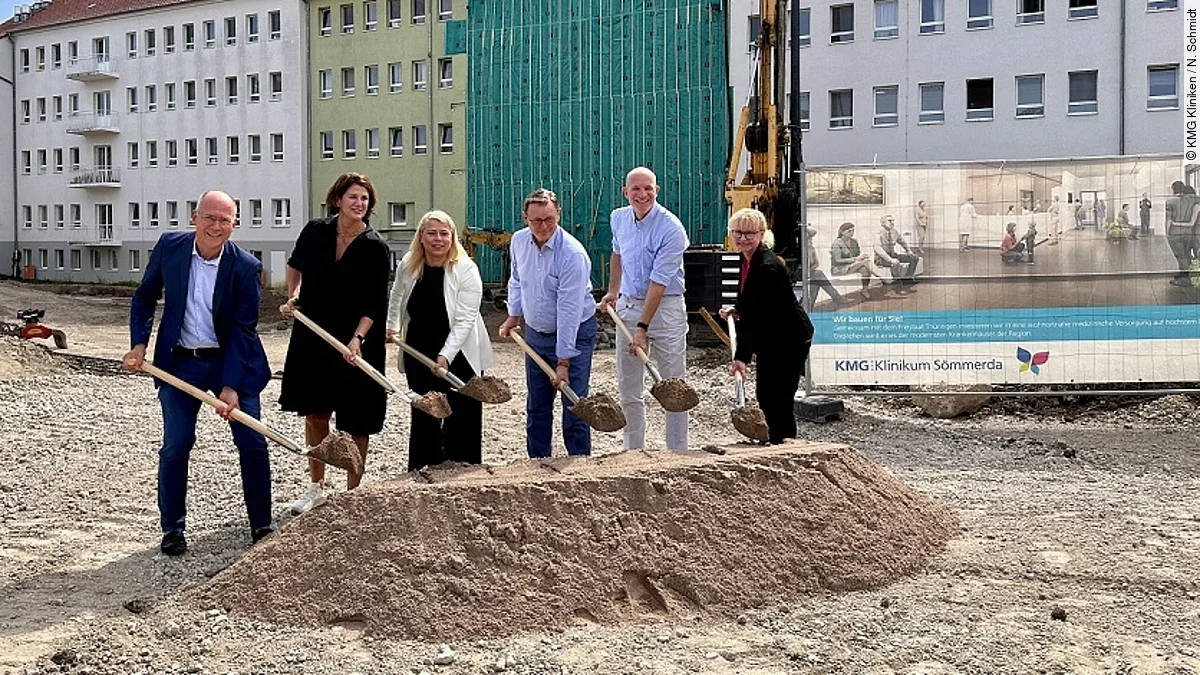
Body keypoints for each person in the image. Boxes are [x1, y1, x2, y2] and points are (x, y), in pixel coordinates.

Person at [124, 191, 273, 556]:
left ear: (234, 224)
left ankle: (262, 525)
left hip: (230, 361)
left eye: (225, 220)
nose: (217, 226)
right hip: (180, 362)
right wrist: (139, 344)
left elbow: (243, 330)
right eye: (210, 218)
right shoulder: (170, 248)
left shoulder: (245, 267)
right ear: (194, 217)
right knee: (176, 445)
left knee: (253, 443)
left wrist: (231, 385)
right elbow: (144, 297)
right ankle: (172, 528)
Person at [279, 173, 391, 514]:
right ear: (338, 199)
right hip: (313, 334)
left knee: (356, 421)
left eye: (365, 199)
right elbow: (294, 267)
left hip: (357, 341)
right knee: (316, 413)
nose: (360, 203)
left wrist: (357, 339)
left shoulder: (376, 247)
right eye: (354, 197)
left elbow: (375, 303)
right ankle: (316, 488)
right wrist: (293, 296)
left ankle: (352, 494)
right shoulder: (315, 231)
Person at [386, 211, 494, 470]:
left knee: (462, 409)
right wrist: (392, 327)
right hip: (418, 346)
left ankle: (463, 468)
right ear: (421, 237)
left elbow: (465, 321)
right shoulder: (410, 263)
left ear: (452, 237)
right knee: (426, 408)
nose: (438, 239)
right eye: (431, 233)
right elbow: (397, 295)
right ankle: (425, 465)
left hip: (461, 351)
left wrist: (445, 356)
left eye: (444, 234)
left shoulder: (466, 269)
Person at [498, 189, 597, 458]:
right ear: (525, 219)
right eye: (536, 221)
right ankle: (538, 465)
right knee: (537, 405)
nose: (543, 227)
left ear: (559, 215)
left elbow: (569, 310)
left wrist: (563, 362)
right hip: (536, 334)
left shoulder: (572, 255)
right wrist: (513, 314)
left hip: (574, 332)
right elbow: (517, 280)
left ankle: (578, 466)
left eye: (549, 220)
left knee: (574, 406)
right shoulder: (519, 242)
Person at [599, 167, 690, 451]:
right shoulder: (618, 218)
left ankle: (677, 452)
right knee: (629, 386)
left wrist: (642, 328)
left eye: (648, 188)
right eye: (636, 189)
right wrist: (613, 292)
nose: (642, 194)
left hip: (666, 309)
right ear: (625, 192)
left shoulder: (671, 229)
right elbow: (617, 254)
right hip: (628, 303)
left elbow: (659, 283)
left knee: (673, 387)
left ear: (657, 190)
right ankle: (633, 450)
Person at [720, 209, 813, 445]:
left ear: (761, 234)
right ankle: (773, 440)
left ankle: (784, 445)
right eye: (737, 232)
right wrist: (737, 308)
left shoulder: (767, 267)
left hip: (789, 337)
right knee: (766, 394)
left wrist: (741, 357)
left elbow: (755, 317)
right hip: (771, 334)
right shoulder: (749, 259)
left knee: (778, 397)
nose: (742, 238)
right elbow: (750, 298)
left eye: (749, 233)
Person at [830, 222, 890, 296]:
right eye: (849, 231)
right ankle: (883, 277)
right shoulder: (836, 243)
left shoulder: (854, 241)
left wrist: (861, 257)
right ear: (842, 231)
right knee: (866, 262)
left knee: (866, 270)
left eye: (853, 231)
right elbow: (838, 260)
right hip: (839, 268)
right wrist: (856, 259)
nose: (851, 233)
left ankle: (864, 290)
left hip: (852, 265)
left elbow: (857, 255)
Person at [803, 226, 851, 311]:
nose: (811, 241)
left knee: (817, 276)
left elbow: (816, 263)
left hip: (810, 274)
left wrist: (809, 271)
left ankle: (810, 306)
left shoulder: (811, 249)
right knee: (818, 275)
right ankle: (836, 297)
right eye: (809, 240)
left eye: (811, 239)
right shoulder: (802, 251)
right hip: (801, 276)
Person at [1164, 180, 1197, 287]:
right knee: (1186, 254)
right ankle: (1184, 275)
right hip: (1188, 233)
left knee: (1180, 256)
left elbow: (1168, 219)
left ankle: (1185, 279)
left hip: (1175, 233)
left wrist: (1167, 233)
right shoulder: (1191, 200)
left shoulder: (1170, 201)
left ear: (1173, 189)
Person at [875, 214, 920, 288]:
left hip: (893, 255)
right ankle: (898, 286)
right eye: (889, 221)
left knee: (914, 258)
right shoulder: (878, 234)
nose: (892, 222)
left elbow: (902, 242)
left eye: (893, 221)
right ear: (882, 223)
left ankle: (907, 280)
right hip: (881, 259)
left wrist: (909, 251)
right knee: (896, 263)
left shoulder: (894, 232)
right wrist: (890, 260)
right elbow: (878, 250)